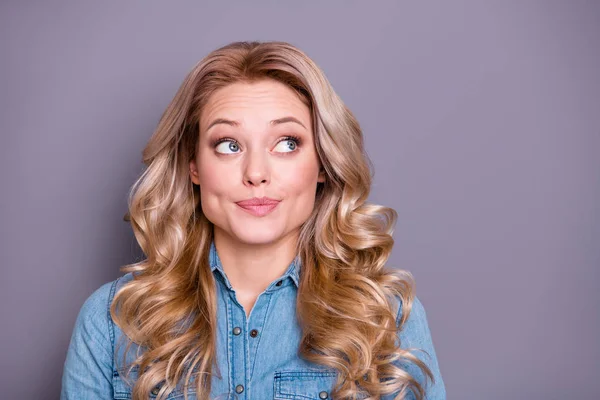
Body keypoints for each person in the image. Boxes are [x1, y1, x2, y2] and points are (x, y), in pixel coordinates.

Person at [60, 41, 446, 400]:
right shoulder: (112, 320)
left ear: (324, 164)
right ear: (193, 165)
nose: (256, 173)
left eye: (287, 143)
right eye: (229, 145)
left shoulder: (384, 315)